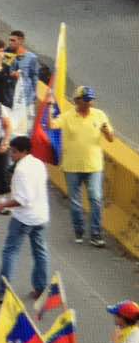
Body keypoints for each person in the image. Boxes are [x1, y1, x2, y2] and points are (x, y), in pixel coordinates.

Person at [51, 85, 114, 247]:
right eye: (85, 100)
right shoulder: (67, 116)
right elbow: (52, 125)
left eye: (90, 100)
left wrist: (106, 131)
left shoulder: (99, 115)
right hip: (72, 166)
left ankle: (95, 233)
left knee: (96, 198)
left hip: (93, 166)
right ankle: (79, 230)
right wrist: (48, 107)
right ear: (77, 100)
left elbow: (111, 138)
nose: (89, 103)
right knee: (76, 202)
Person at [0, 136, 50, 302]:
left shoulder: (21, 170)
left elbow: (23, 200)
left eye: (14, 151)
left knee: (10, 252)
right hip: (41, 215)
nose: (11, 154)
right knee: (40, 252)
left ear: (23, 151)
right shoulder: (38, 164)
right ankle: (40, 288)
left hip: (24, 218)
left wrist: (3, 205)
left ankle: (3, 292)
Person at [7, 30, 39, 136]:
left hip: (27, 101)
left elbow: (34, 78)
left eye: (13, 40)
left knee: (27, 130)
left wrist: (33, 97)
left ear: (21, 41)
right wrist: (11, 75)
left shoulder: (32, 58)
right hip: (13, 99)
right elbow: (4, 73)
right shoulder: (7, 56)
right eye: (10, 40)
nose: (10, 43)